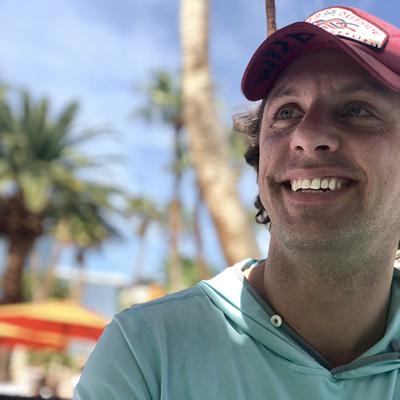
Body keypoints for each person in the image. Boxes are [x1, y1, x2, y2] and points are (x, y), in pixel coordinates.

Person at [74, 5, 400, 399]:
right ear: (260, 160)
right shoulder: (146, 354)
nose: (307, 135)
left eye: (356, 110)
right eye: (287, 112)